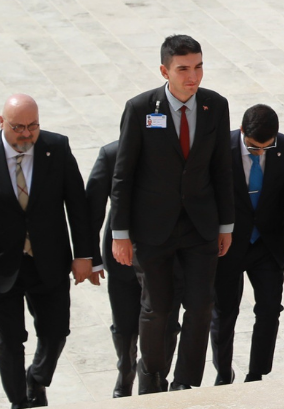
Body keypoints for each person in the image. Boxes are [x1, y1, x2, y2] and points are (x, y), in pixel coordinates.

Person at [109, 34, 234, 393]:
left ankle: (184, 384)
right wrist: (120, 234)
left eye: (198, 67)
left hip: (200, 226)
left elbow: (221, 170)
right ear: (165, 70)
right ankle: (151, 382)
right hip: (152, 228)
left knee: (200, 307)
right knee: (157, 309)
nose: (192, 76)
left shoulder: (215, 106)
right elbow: (123, 174)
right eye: (183, 69)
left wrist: (226, 224)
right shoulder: (140, 108)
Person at [0, 95, 94, 409]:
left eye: (33, 126)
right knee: (9, 340)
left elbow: (77, 205)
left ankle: (36, 379)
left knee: (56, 332)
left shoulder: (57, 148)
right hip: (0, 264)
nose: (26, 134)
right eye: (18, 128)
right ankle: (19, 402)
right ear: (2, 123)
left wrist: (85, 256)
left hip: (49, 261)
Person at [210, 105, 284, 385]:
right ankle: (224, 373)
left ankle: (256, 374)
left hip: (266, 244)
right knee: (224, 312)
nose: (260, 152)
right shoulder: (218, 146)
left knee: (270, 309)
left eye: (266, 147)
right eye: (253, 147)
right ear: (241, 131)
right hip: (228, 243)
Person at [87, 141, 182, 397]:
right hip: (122, 257)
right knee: (125, 325)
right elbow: (92, 210)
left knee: (168, 324)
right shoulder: (111, 154)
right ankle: (126, 370)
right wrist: (92, 258)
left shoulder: (177, 151)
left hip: (167, 255)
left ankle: (158, 378)